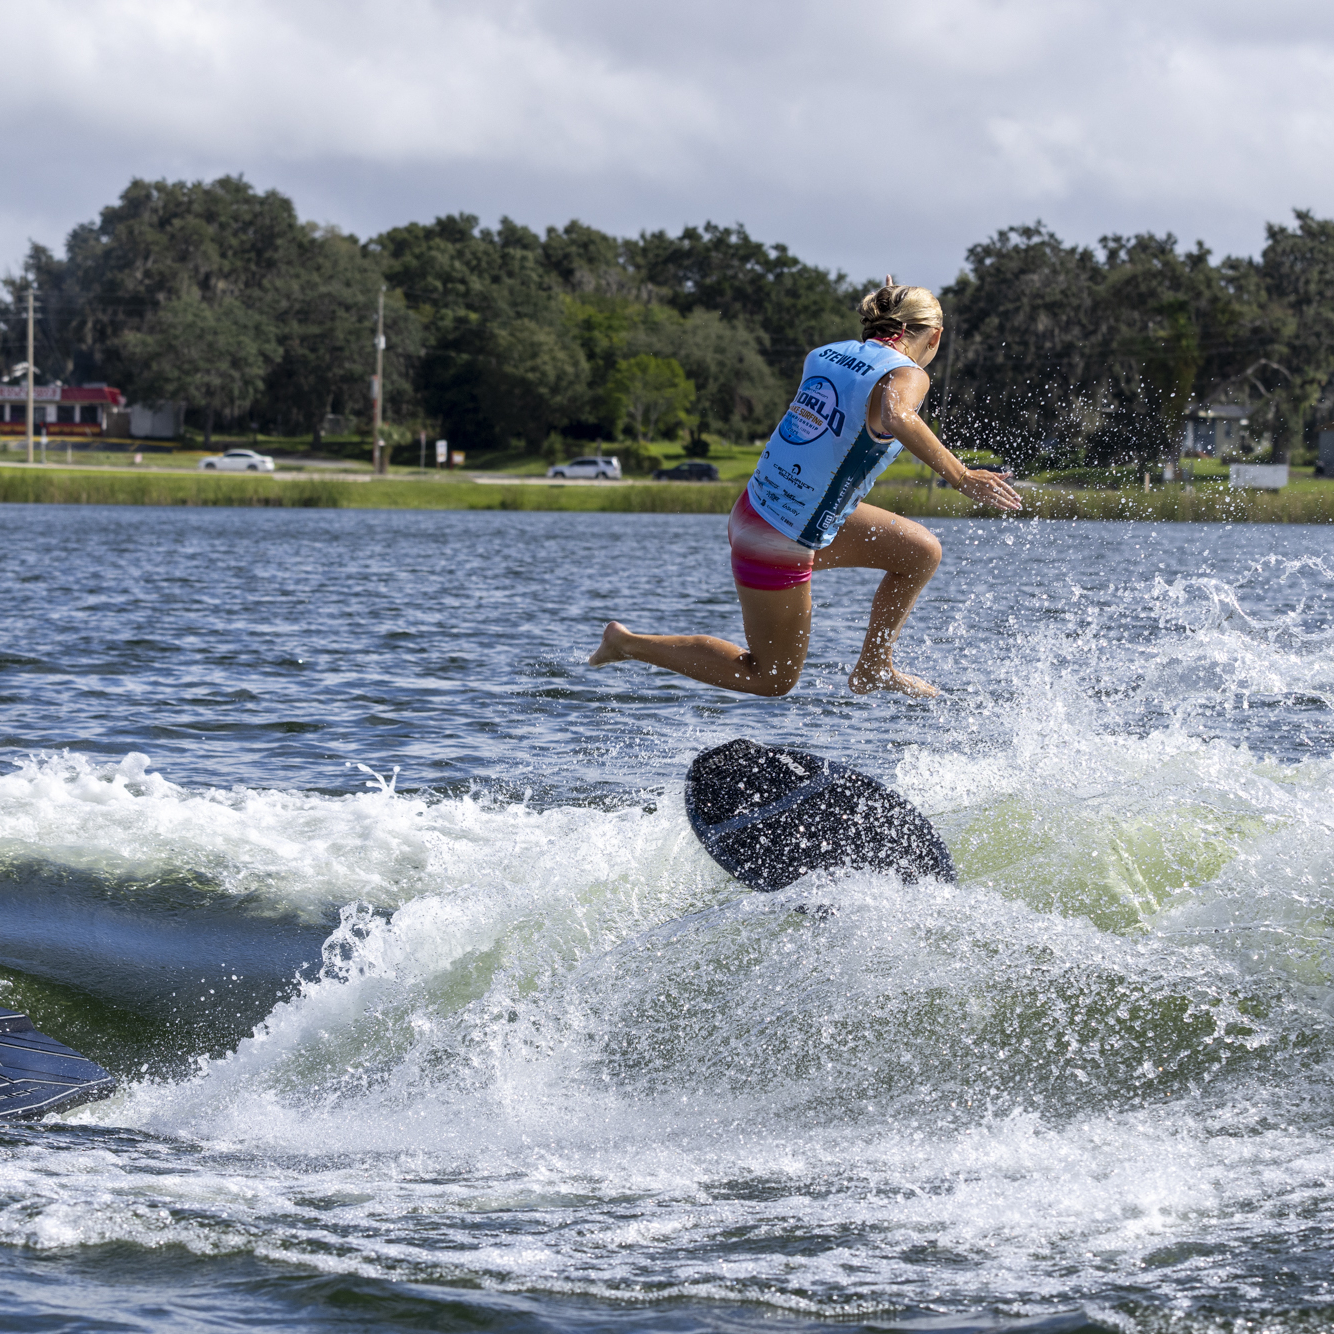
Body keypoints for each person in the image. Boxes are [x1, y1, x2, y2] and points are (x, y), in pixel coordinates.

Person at [589, 279, 1021, 698]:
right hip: (778, 536)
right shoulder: (909, 375)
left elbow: (871, 373)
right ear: (935, 337)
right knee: (772, 677)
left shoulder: (825, 355)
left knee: (919, 552)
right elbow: (896, 414)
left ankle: (874, 666)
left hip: (759, 509)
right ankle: (627, 644)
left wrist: (890, 302)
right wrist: (962, 476)